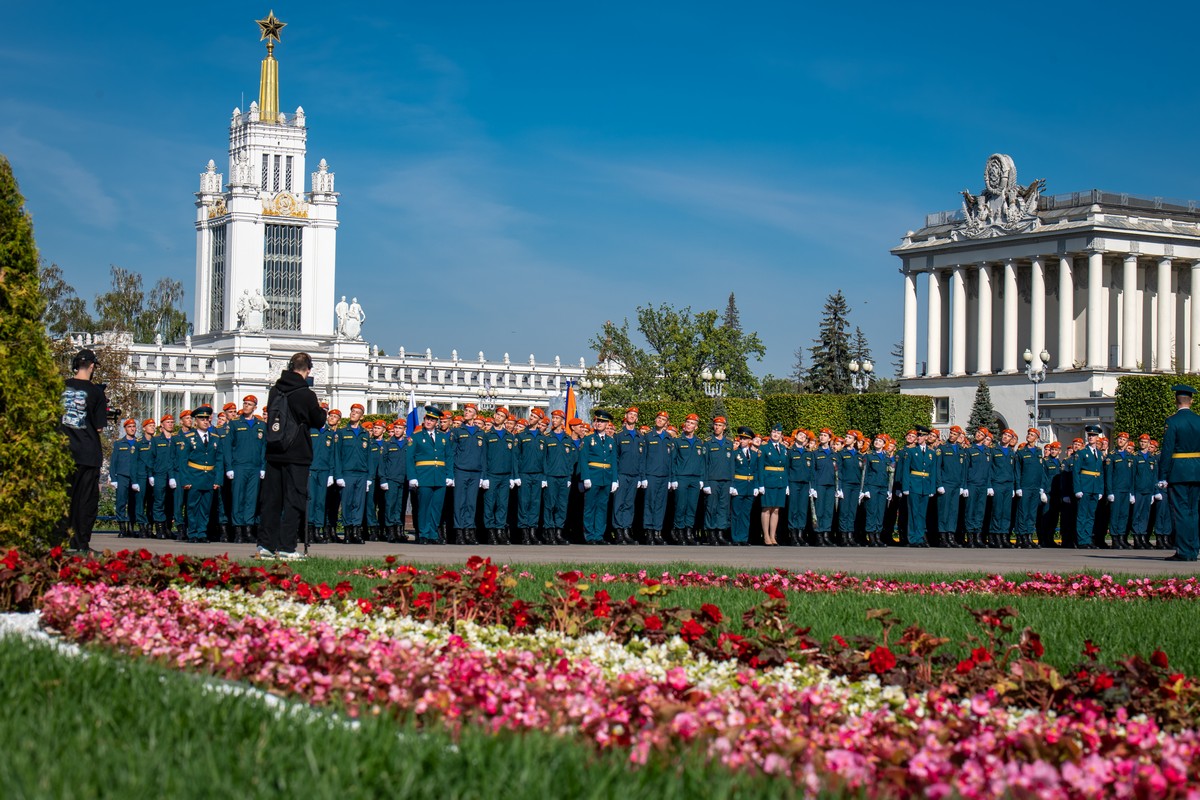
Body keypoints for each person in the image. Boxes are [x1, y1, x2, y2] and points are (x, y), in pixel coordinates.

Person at [260, 352, 326, 559]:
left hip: (274, 450)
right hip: (296, 452)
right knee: (294, 499)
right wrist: (322, 410)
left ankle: (266, 546)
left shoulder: (275, 390)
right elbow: (317, 421)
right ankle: (288, 547)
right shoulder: (305, 394)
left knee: (271, 499)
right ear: (307, 370)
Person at [58, 349, 111, 553]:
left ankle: (60, 542)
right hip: (88, 452)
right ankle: (80, 543)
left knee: (64, 498)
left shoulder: (61, 387)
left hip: (63, 452)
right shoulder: (96, 392)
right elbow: (98, 427)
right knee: (85, 500)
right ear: (91, 366)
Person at [1160, 384, 1200, 562]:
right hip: (1197, 470)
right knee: (1194, 511)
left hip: (1179, 472)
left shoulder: (1172, 421)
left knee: (1181, 512)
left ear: (1176, 401)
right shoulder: (1199, 420)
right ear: (1191, 401)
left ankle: (1184, 551)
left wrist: (1162, 475)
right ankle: (1193, 548)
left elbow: (1167, 450)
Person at [407, 406, 455, 544]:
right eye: (427, 418)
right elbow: (410, 458)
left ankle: (433, 534)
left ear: (436, 422)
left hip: (439, 476)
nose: (429, 421)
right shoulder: (416, 436)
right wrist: (412, 477)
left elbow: (449, 457)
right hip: (423, 476)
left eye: (432, 420)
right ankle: (423, 533)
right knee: (424, 507)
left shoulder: (442, 437)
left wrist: (449, 475)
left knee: (436, 507)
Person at [226, 395, 266, 547]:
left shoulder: (260, 425)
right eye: (245, 403)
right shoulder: (235, 424)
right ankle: (238, 530)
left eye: (249, 404)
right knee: (238, 498)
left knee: (251, 499)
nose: (246, 406)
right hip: (239, 466)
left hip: (254, 467)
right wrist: (229, 467)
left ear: (255, 407)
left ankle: (248, 529)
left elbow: (264, 447)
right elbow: (228, 447)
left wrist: (263, 467)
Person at [180, 406, 223, 544]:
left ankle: (202, 532)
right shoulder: (188, 438)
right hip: (194, 476)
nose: (205, 421)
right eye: (202, 418)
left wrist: (218, 479)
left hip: (209, 477)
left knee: (205, 507)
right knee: (192, 507)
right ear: (195, 421)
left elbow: (219, 460)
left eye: (207, 418)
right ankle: (192, 533)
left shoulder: (215, 438)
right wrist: (185, 480)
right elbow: (182, 461)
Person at [577, 410, 616, 544]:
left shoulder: (611, 441)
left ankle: (599, 535)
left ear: (607, 424)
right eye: (597, 421)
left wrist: (614, 479)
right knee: (590, 507)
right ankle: (589, 535)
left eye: (602, 421)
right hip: (593, 477)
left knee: (602, 507)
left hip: (606, 477)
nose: (598, 423)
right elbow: (583, 459)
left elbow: (613, 462)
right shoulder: (588, 439)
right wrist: (585, 477)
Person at [109, 418, 140, 538]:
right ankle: (122, 528)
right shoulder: (119, 443)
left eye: (133, 426)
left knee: (133, 502)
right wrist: (113, 478)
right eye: (129, 427)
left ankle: (131, 527)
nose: (132, 428)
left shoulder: (138, 443)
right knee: (121, 502)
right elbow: (113, 462)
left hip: (135, 477)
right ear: (125, 428)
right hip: (122, 476)